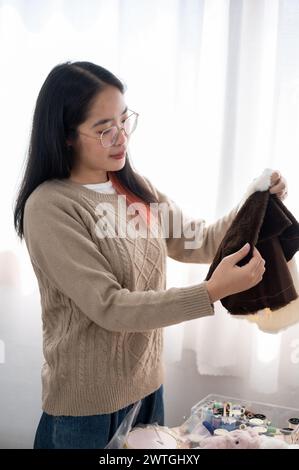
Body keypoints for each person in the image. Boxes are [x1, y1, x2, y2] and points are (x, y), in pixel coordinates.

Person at [13, 61, 288, 449]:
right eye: (105, 129)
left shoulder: (134, 188)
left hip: (147, 393)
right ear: (66, 136)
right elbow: (110, 307)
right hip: (86, 411)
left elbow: (202, 240)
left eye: (125, 121)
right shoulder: (50, 208)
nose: (121, 137)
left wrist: (256, 198)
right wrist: (210, 292)